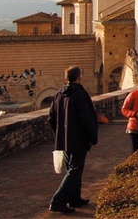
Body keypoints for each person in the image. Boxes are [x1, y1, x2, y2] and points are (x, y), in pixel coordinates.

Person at [48, 66, 99, 214]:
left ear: (66, 78)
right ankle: (57, 201)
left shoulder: (58, 94)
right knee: (75, 170)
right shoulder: (80, 95)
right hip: (78, 138)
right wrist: (92, 135)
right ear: (79, 77)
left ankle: (74, 198)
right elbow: (87, 118)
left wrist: (58, 133)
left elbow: (51, 117)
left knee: (72, 168)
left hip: (63, 138)